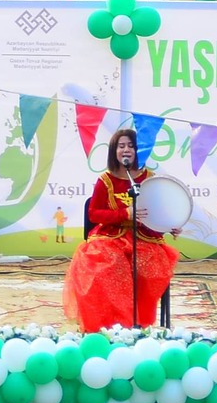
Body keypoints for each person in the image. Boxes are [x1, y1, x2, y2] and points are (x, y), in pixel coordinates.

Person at [63, 126, 180, 330]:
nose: (126, 150)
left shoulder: (149, 178)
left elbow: (156, 211)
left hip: (143, 237)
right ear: (114, 151)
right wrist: (124, 214)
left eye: (131, 146)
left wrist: (168, 225)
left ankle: (138, 323)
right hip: (110, 236)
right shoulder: (104, 180)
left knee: (146, 268)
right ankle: (108, 324)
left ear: (138, 151)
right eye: (121, 146)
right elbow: (94, 214)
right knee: (107, 267)